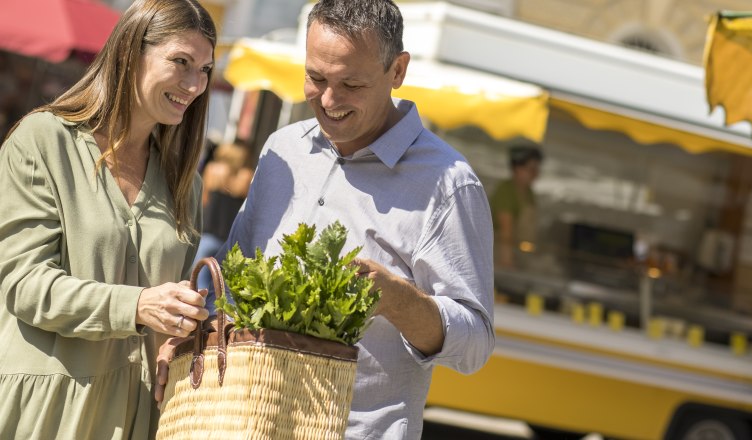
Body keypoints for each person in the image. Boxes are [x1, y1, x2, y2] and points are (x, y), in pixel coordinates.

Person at [155, 0, 495, 438]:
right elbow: (229, 279)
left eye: (352, 83)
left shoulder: (448, 185)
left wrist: (398, 300)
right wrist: (187, 334)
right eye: (316, 78)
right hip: (241, 421)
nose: (329, 100)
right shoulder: (283, 150)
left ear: (398, 71)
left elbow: (476, 345)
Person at [0, 0, 215, 438]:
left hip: (138, 415)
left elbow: (177, 303)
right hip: (46, 409)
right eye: (181, 62)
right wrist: (135, 306)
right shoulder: (43, 142)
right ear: (131, 52)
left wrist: (179, 338)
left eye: (206, 69)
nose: (195, 84)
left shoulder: (183, 183)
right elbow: (23, 284)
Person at [192, 140, 253, 288]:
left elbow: (204, 199)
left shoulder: (213, 170)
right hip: (231, 238)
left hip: (209, 232)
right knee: (222, 285)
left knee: (199, 281)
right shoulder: (246, 176)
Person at [490, 144, 544, 268]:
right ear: (517, 168)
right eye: (531, 169)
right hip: (501, 255)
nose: (535, 173)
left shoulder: (529, 193)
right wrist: (506, 261)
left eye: (536, 169)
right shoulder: (506, 190)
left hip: (520, 255)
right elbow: (506, 231)